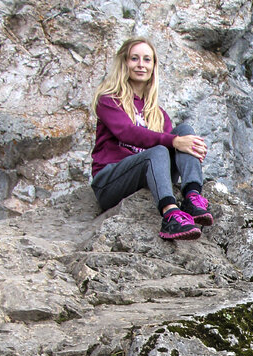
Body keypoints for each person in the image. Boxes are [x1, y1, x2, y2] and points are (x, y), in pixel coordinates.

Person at [91, 36, 214, 241]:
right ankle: (170, 214)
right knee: (160, 149)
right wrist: (174, 142)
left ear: (153, 66)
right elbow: (126, 133)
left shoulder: (158, 113)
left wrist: (189, 147)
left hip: (147, 177)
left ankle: (192, 196)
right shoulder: (108, 100)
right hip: (110, 182)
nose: (141, 65)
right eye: (134, 59)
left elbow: (171, 144)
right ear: (124, 63)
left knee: (184, 130)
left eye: (147, 60)